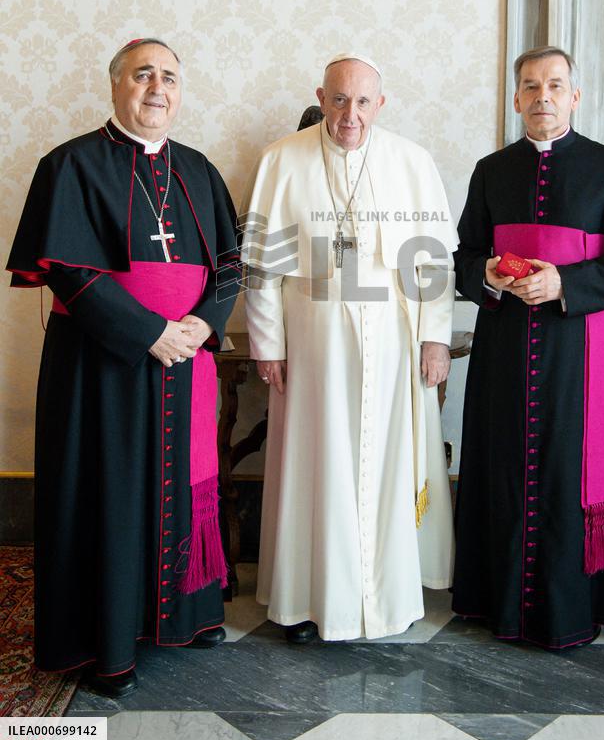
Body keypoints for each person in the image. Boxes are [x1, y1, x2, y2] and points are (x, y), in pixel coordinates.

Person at [7, 39, 240, 695]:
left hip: (185, 359)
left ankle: (186, 617)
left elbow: (230, 266)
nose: (157, 88)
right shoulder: (71, 165)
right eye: (143, 75)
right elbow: (70, 271)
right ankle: (103, 644)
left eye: (169, 77)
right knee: (107, 495)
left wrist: (201, 325)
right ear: (115, 87)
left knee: (182, 487)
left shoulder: (200, 170)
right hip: (99, 370)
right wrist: (148, 333)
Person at [241, 54, 458, 642]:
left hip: (392, 345)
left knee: (388, 463)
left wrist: (435, 339)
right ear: (321, 95)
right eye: (339, 99)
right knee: (316, 462)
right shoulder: (282, 160)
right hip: (312, 348)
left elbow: (433, 265)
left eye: (363, 102)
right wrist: (268, 344)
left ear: (380, 105)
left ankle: (389, 595)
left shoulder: (411, 162)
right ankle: (311, 600)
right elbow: (262, 269)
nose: (350, 114)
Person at [452, 46, 604, 649]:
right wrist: (487, 274)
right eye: (531, 86)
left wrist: (565, 281)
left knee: (569, 470)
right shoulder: (490, 170)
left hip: (579, 354)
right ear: (516, 99)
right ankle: (498, 604)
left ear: (575, 96)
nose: (543, 96)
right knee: (505, 467)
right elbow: (462, 257)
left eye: (555, 85)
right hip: (506, 349)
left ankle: (574, 609)